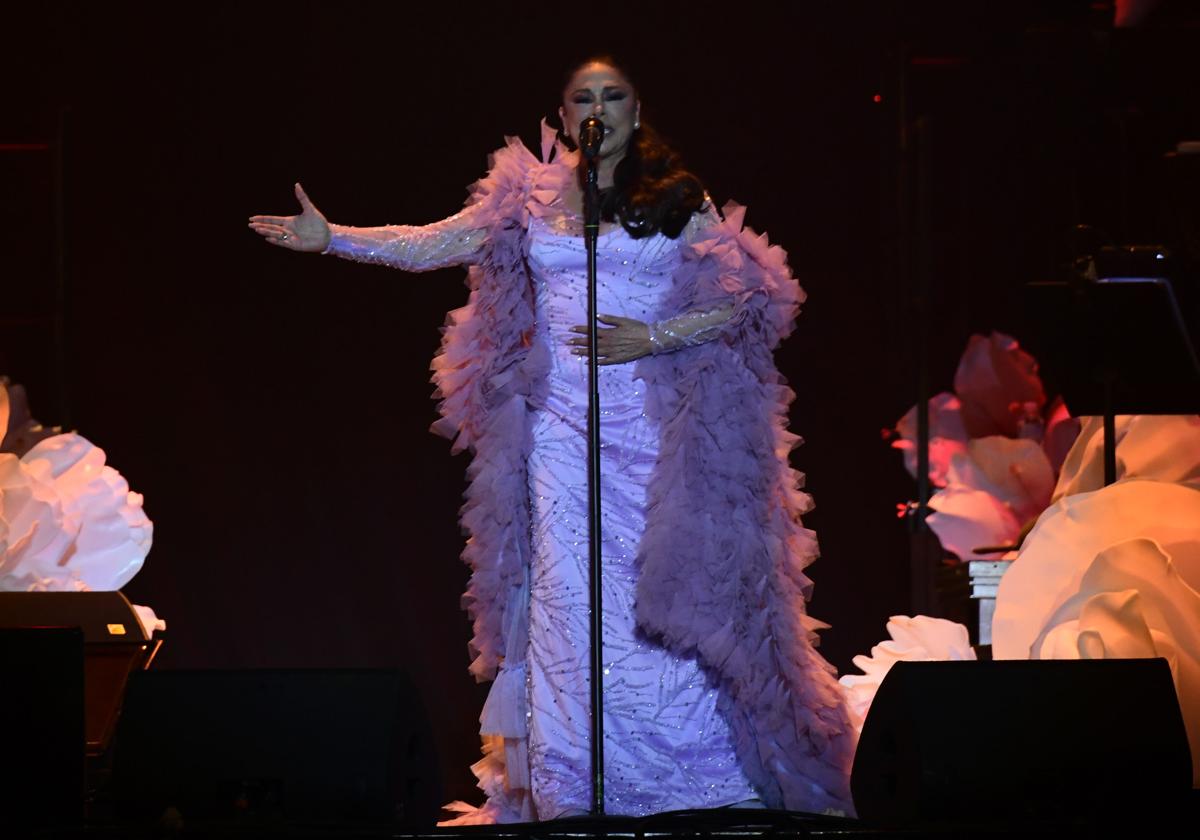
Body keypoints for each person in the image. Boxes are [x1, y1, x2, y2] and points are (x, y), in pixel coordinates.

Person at [249, 57, 855, 822]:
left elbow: (749, 299)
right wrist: (334, 237)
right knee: (570, 602)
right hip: (562, 433)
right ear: (564, 116)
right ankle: (577, 790)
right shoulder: (527, 199)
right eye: (583, 98)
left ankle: (699, 786)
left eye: (614, 95)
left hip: (654, 433)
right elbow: (433, 243)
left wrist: (655, 334)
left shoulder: (676, 196)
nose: (599, 108)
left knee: (668, 591)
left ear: (637, 110)